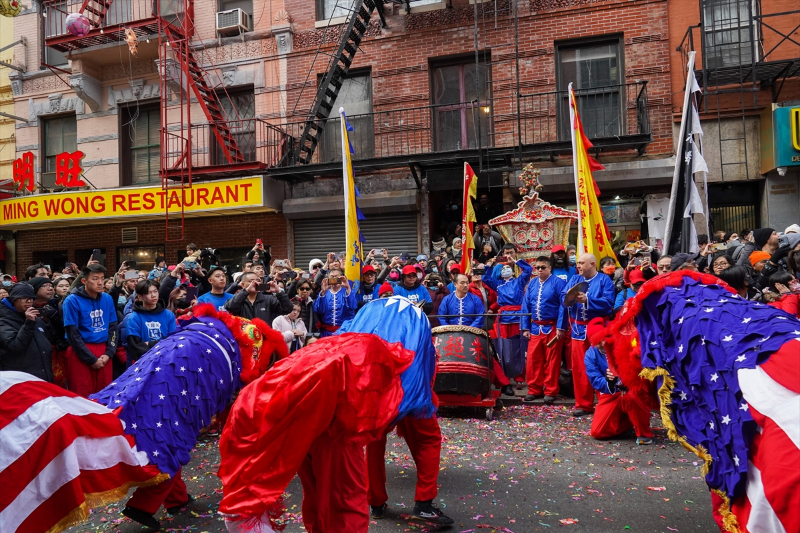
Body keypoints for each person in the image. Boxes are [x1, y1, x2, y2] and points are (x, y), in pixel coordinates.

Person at [560, 253, 615, 417]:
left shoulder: (604, 280)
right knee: (579, 368)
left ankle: (605, 401)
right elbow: (563, 297)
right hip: (577, 330)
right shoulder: (575, 279)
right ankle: (583, 404)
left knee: (602, 366)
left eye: (582, 263)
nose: (578, 265)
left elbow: (609, 303)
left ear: (592, 264)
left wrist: (588, 299)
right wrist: (569, 299)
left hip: (598, 331)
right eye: (577, 262)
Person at [584, 319, 654, 445]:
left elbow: (640, 367)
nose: (603, 343)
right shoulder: (590, 355)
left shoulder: (622, 343)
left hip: (631, 389)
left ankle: (643, 433)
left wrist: (626, 381)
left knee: (632, 397)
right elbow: (595, 381)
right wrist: (610, 382)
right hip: (610, 394)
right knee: (598, 432)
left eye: (604, 338)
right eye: (598, 341)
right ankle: (630, 421)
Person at [61, 264, 118, 397]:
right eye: (95, 278)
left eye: (102, 278)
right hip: (81, 350)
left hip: (104, 350)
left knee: (104, 393)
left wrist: (109, 352)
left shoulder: (107, 298)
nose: (100, 282)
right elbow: (72, 334)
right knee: (81, 394)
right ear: (84, 281)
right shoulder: (72, 300)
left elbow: (113, 327)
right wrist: (91, 359)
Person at [521, 256, 566, 404]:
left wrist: (560, 327)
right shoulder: (532, 283)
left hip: (553, 328)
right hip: (535, 328)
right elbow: (525, 306)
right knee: (533, 360)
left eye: (543, 267)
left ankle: (551, 391)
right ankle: (534, 389)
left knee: (552, 361)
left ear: (550, 268)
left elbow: (563, 306)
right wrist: (525, 327)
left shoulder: (559, 283)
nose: (539, 270)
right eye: (537, 267)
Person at [483, 255, 533, 387]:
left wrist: (515, 261)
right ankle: (506, 377)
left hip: (518, 316)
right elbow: (485, 278)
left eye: (508, 267)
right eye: (503, 267)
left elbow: (528, 269)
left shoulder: (519, 281)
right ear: (500, 272)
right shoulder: (498, 285)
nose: (506, 269)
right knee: (504, 348)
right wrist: (490, 263)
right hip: (503, 318)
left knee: (520, 348)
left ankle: (520, 377)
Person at [0, 282, 55, 381]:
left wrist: (54, 318)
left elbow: (50, 340)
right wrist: (28, 323)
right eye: (24, 298)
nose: (29, 301)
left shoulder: (36, 318)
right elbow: (15, 346)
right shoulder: (3, 321)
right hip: (20, 379)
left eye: (32, 298)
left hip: (43, 375)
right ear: (14, 299)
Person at [125, 280, 177, 363]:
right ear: (140, 296)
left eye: (155, 291)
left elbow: (173, 340)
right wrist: (161, 343)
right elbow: (135, 345)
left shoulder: (169, 315)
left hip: (166, 359)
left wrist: (149, 344)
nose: (153, 295)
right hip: (144, 362)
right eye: (149, 293)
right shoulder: (134, 317)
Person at [225, 271, 292, 325]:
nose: (255, 283)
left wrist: (279, 292)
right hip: (244, 338)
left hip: (264, 338)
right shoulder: (238, 299)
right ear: (242, 285)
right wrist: (246, 291)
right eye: (251, 281)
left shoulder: (268, 299)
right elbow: (230, 308)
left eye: (257, 280)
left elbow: (287, 309)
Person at [314, 268, 357, 337]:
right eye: (332, 277)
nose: (334, 279)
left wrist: (348, 287)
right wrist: (323, 292)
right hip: (327, 333)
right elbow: (319, 310)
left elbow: (353, 306)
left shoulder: (347, 291)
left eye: (336, 276)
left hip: (345, 331)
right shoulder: (324, 292)